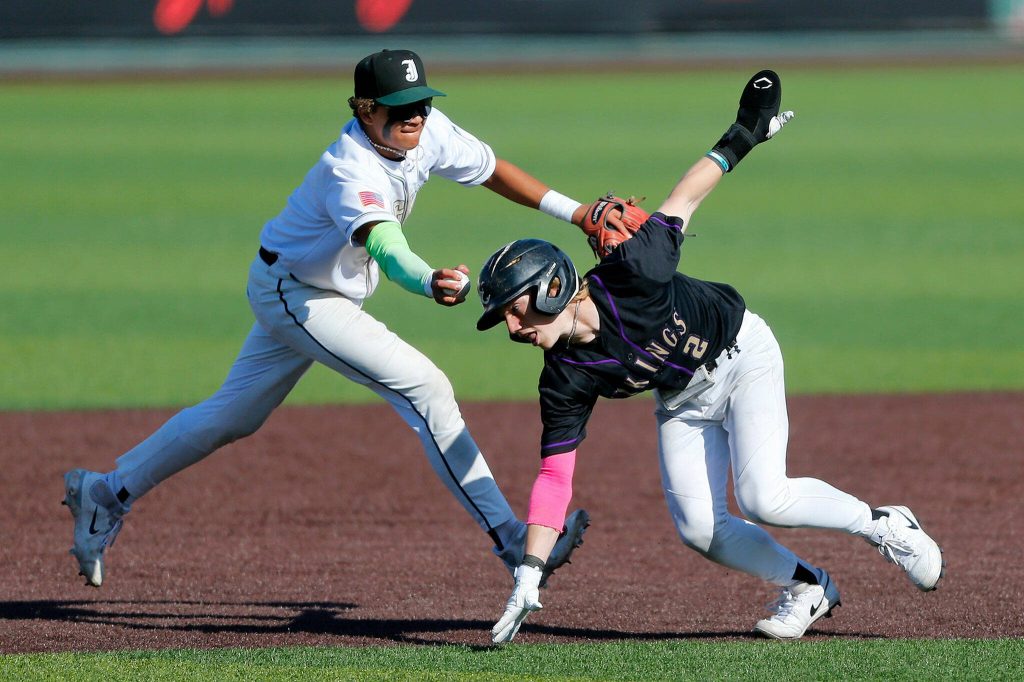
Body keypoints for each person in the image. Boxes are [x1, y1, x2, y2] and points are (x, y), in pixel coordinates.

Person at [62, 48, 591, 590]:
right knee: (427, 388)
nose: (415, 115)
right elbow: (386, 247)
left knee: (232, 416)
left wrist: (577, 212)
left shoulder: (426, 131)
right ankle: (510, 541)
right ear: (364, 109)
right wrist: (427, 281)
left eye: (423, 103)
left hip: (306, 287)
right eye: (400, 106)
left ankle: (103, 493)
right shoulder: (350, 166)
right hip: (301, 295)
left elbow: (491, 170)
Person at [477, 70, 945, 643]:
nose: (511, 324)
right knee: (701, 530)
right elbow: (555, 476)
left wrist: (745, 132)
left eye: (514, 308)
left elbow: (685, 198)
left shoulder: (635, 271)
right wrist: (529, 570)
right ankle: (807, 586)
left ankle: (884, 525)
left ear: (552, 287)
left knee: (763, 495)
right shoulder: (564, 377)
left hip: (742, 353)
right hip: (683, 399)